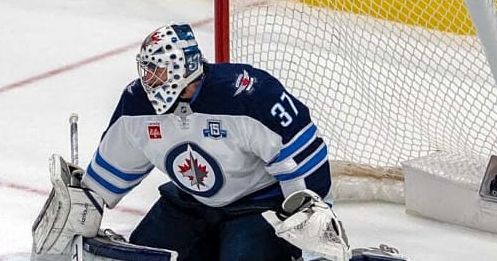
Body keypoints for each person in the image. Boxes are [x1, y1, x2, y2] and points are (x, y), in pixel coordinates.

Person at [78, 22, 346, 261]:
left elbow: (303, 157)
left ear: (187, 67)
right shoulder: (136, 104)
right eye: (147, 71)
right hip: (189, 201)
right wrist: (78, 208)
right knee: (145, 255)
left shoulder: (248, 95)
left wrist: (312, 231)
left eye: (159, 71)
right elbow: (107, 175)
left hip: (259, 204)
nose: (150, 81)